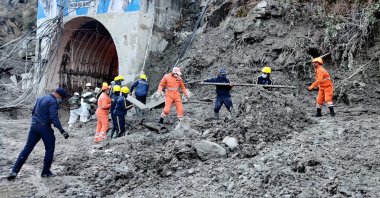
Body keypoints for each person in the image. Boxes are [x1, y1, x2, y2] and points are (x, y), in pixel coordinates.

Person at [7, 88, 70, 180]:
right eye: (60, 98)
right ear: (58, 95)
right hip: (44, 128)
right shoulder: (53, 102)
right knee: (49, 149)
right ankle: (45, 172)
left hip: (34, 126)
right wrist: (62, 130)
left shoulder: (40, 98)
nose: (59, 99)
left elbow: (33, 112)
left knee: (27, 148)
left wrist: (37, 121)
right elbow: (54, 118)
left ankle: (14, 171)